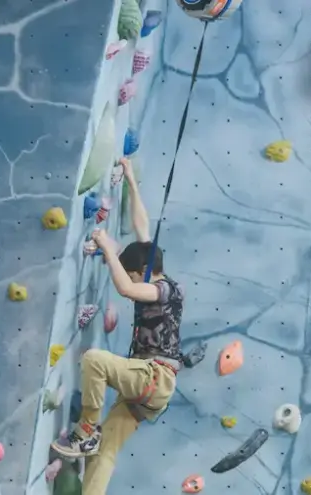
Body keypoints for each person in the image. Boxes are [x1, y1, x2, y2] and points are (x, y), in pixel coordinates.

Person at [50, 158, 185, 494]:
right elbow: (143, 228)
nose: (134, 281)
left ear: (144, 272)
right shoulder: (156, 272)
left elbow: (126, 287)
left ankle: (86, 431)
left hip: (153, 378)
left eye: (135, 273)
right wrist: (131, 182)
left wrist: (110, 251)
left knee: (95, 360)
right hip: (148, 388)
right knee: (104, 454)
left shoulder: (164, 288)